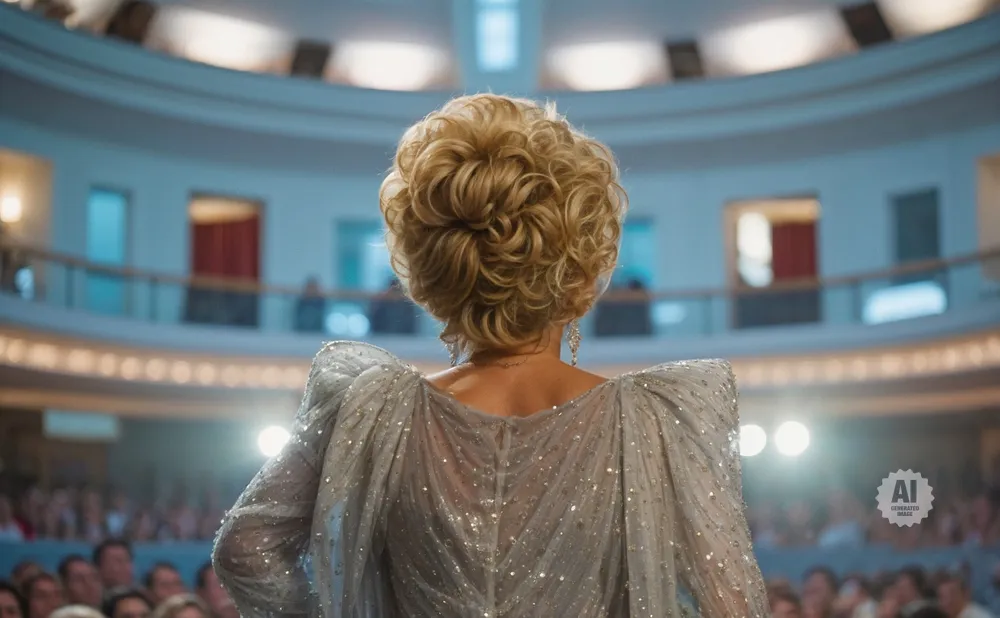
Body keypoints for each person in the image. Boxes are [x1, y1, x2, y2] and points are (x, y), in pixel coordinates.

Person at [212, 93, 768, 618]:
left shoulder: (371, 407)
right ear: (584, 263)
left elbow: (245, 549)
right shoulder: (655, 421)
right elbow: (731, 604)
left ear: (431, 264)